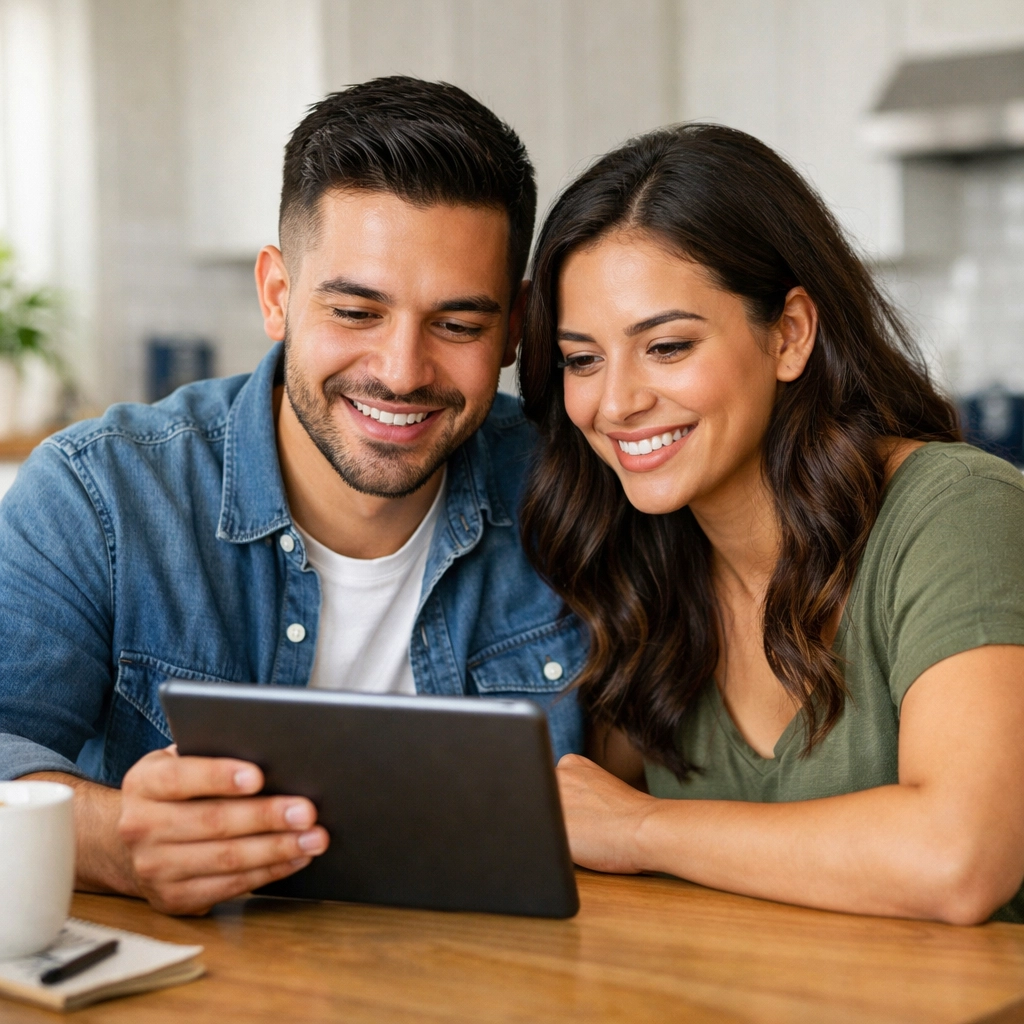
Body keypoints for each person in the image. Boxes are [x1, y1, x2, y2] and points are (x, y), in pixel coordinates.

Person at [0, 77, 586, 916]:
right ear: (277, 294)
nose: (401, 371)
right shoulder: (101, 496)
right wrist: (118, 843)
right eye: (355, 310)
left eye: (457, 326)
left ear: (513, 328)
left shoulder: (571, 494)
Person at [518, 123, 1024, 925]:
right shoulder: (645, 558)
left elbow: (960, 858)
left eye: (668, 346)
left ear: (789, 333)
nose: (614, 403)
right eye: (583, 359)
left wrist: (643, 827)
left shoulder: (956, 510)